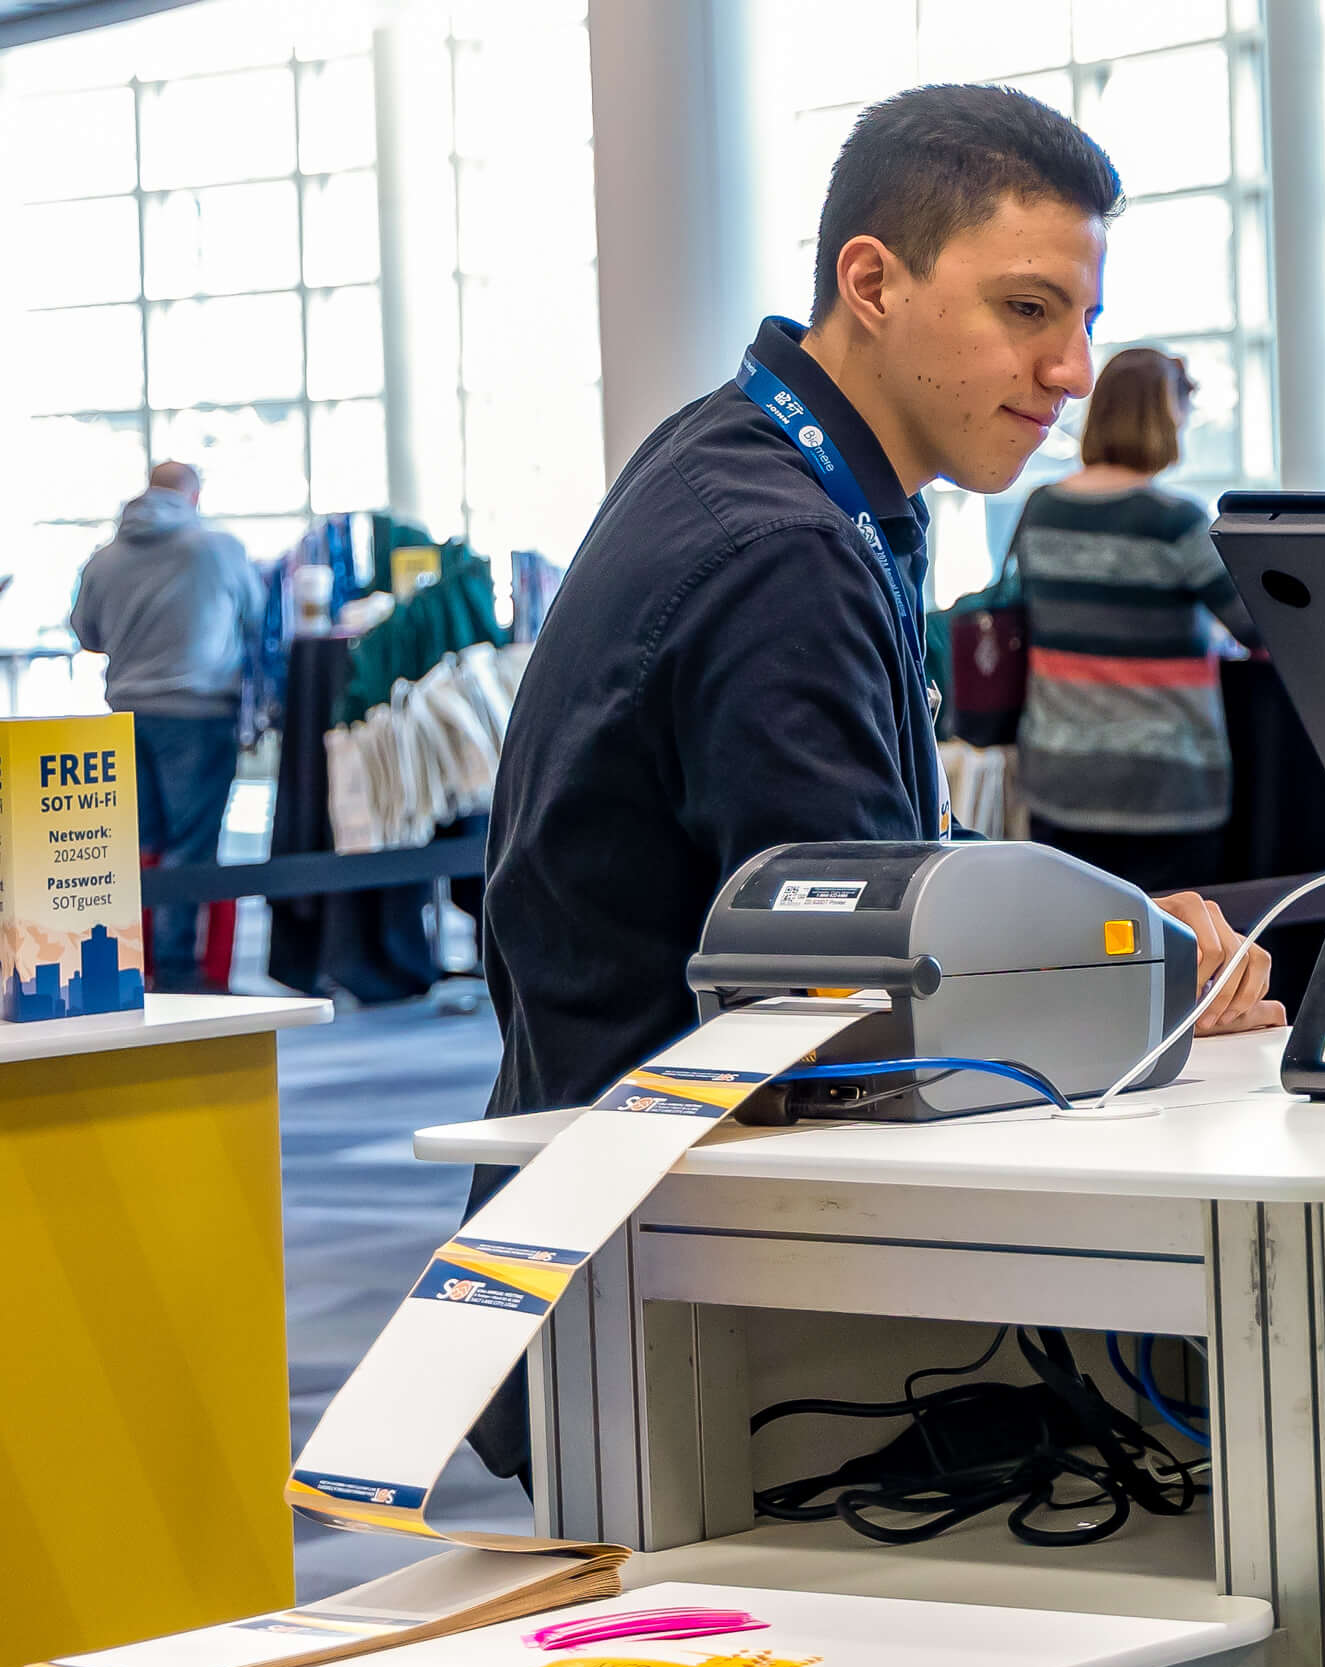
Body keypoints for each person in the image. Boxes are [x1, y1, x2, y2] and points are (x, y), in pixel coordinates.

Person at [477, 85, 1277, 1273]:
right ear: (872, 283)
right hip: (697, 1267)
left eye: (1084, 319)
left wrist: (1107, 938)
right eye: (1026, 310)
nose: (1071, 370)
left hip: (644, 1211)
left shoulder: (752, 469)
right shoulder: (783, 554)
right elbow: (865, 1010)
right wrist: (1135, 969)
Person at [1001, 345, 1261, 898]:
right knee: (1176, 963)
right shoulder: (1174, 522)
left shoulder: (1040, 508)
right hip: (1162, 787)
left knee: (1074, 956)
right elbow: (1256, 628)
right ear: (1165, 416)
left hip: (1059, 777)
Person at [74, 459, 263, 992]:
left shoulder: (105, 558)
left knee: (141, 842)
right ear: (194, 496)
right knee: (191, 845)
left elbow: (87, 634)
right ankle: (182, 971)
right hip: (198, 714)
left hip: (125, 714)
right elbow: (257, 613)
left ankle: (141, 964)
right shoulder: (217, 549)